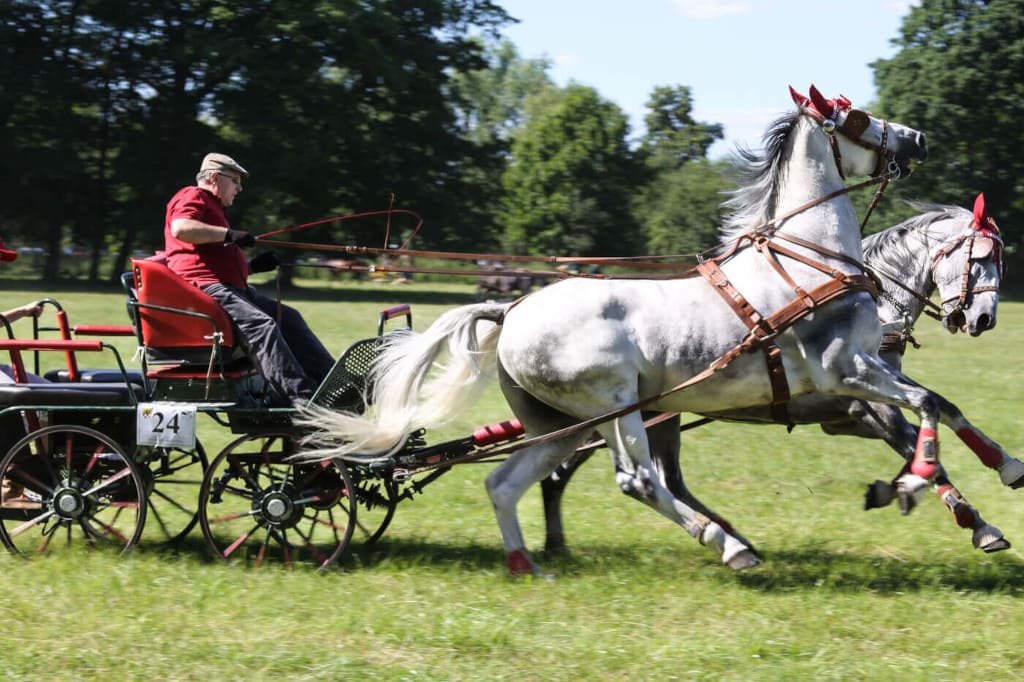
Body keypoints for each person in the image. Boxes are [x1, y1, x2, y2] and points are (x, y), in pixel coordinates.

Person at [163, 153, 335, 406]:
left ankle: (331, 383)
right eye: (235, 180)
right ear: (213, 177)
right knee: (261, 326)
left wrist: (252, 267)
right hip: (206, 291)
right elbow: (182, 229)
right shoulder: (193, 195)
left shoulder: (214, 208)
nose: (239, 187)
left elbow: (212, 257)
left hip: (229, 287)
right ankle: (302, 399)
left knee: (289, 318)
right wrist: (230, 234)